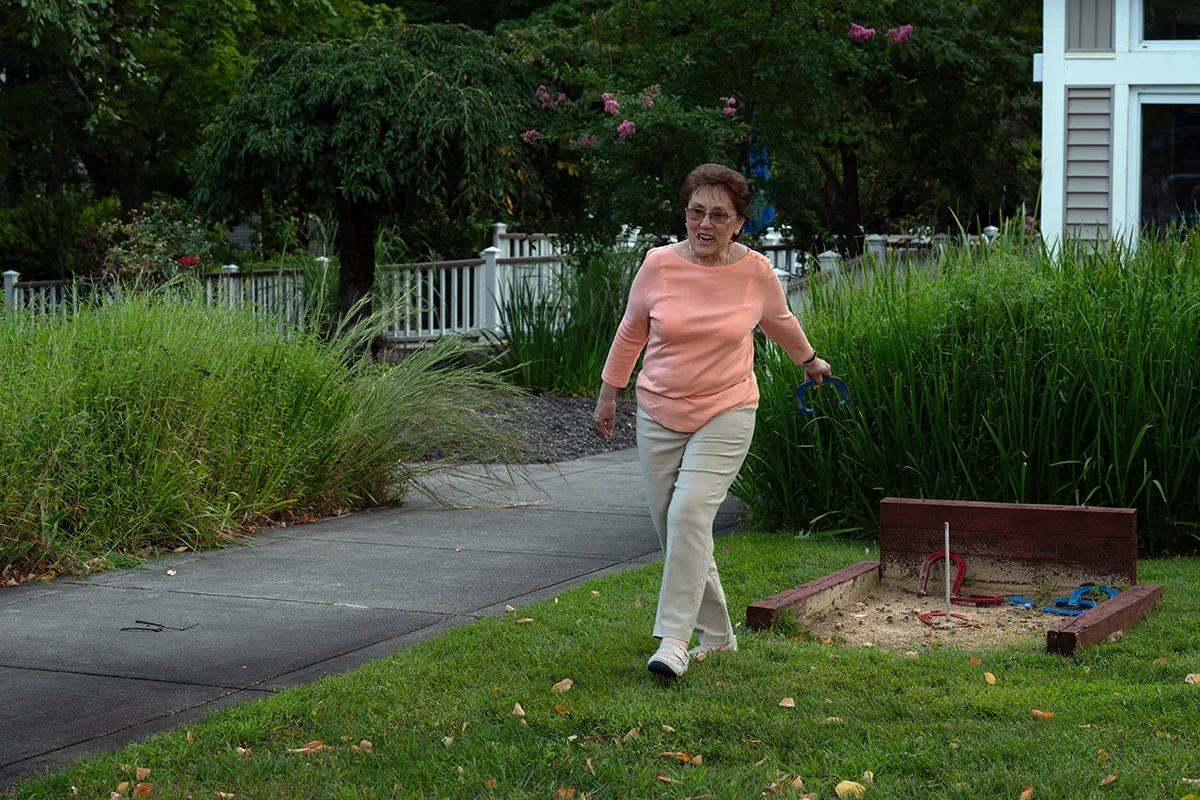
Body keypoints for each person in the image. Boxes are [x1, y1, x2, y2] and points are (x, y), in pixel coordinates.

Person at [592, 163, 832, 679]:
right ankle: (720, 640)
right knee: (677, 526)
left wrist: (809, 360)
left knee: (689, 515)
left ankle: (675, 639)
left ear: (740, 222)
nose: (706, 223)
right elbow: (631, 331)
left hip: (727, 408)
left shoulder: (755, 273)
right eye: (697, 211)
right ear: (685, 214)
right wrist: (609, 395)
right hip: (658, 410)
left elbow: (781, 321)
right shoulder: (657, 265)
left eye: (719, 215)